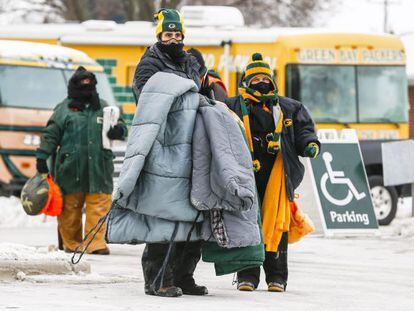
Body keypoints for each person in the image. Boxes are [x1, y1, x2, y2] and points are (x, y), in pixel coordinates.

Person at [128, 8, 207, 297]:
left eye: (177, 34)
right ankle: (157, 279)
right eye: (168, 34)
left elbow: (199, 94)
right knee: (164, 213)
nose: (173, 38)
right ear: (159, 35)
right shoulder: (149, 63)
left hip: (190, 144)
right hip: (162, 144)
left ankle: (184, 275)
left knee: (193, 213)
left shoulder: (190, 62)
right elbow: (145, 96)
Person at [226, 53, 320, 292]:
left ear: (272, 80)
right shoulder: (232, 106)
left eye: (264, 78)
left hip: (277, 174)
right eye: (255, 79)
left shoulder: (289, 107)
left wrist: (310, 144)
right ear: (247, 81)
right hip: (245, 175)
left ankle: (276, 277)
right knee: (247, 222)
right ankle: (247, 276)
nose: (260, 82)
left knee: (277, 223)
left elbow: (304, 131)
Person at [36, 66, 127, 255]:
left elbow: (121, 126)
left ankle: (95, 244)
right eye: (82, 82)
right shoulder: (64, 109)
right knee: (70, 209)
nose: (86, 86)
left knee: (99, 206)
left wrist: (119, 130)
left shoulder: (104, 107)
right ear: (74, 85)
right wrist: (42, 156)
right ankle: (71, 243)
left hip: (100, 167)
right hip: (70, 169)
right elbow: (51, 134)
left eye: (89, 82)